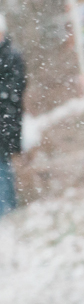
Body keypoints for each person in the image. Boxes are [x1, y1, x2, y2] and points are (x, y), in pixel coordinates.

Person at [0, 14, 25, 218]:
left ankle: (7, 211)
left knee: (3, 165)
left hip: (6, 120)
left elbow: (16, 88)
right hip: (6, 117)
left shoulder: (12, 56)